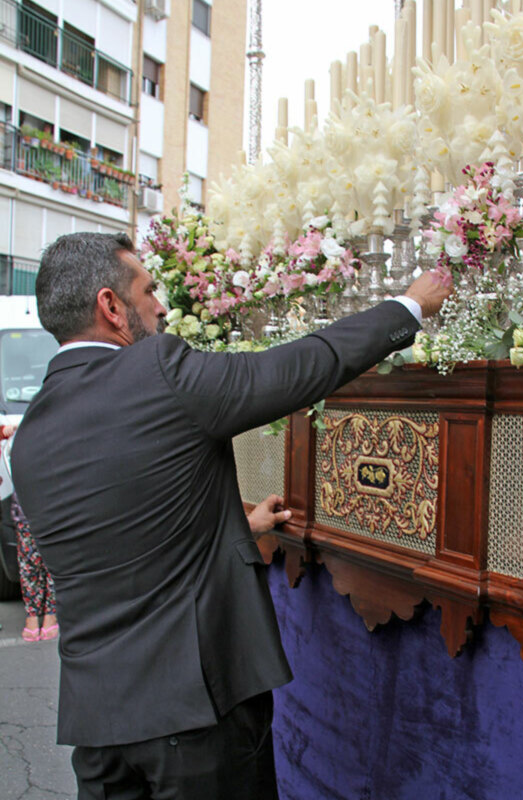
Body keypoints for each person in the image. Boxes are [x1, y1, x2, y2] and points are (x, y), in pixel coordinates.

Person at [11, 232, 451, 800]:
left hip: (99, 730)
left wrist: (238, 526)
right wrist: (408, 306)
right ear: (111, 306)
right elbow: (299, 367)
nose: (162, 308)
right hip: (194, 718)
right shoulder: (158, 371)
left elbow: (121, 538)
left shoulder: (31, 433)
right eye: (149, 291)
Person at [1, 424, 58, 642]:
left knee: (51, 565)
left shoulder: (54, 434)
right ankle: (32, 616)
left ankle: (50, 615)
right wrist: (6, 430)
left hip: (53, 512)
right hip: (25, 512)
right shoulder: (20, 437)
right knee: (29, 566)